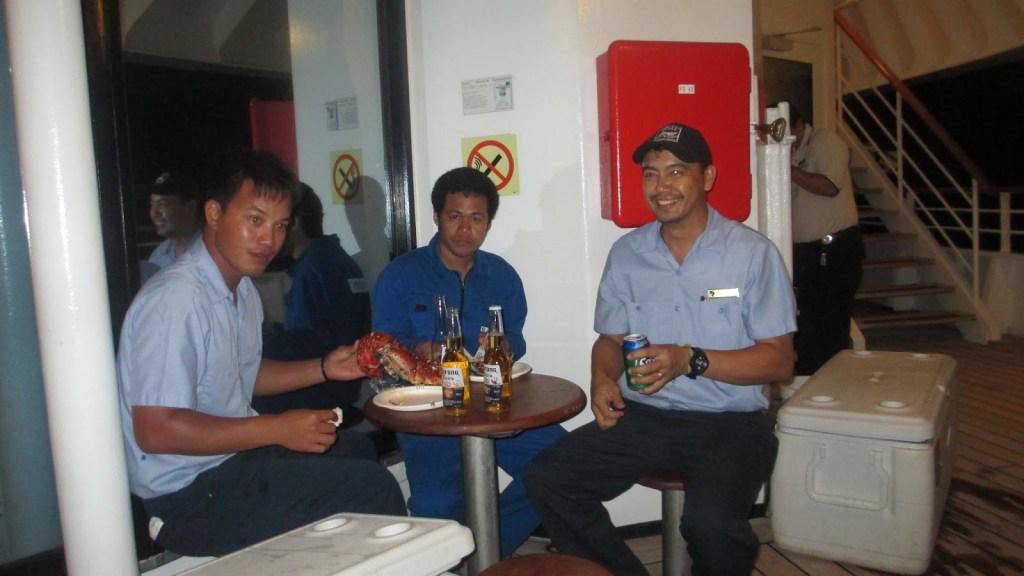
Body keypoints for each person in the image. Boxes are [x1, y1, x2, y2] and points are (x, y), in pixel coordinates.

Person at [524, 123, 797, 576]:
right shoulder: (626, 254)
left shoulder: (752, 254)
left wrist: (689, 360)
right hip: (646, 415)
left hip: (729, 423)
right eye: (651, 174)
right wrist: (602, 379)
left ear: (707, 177)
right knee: (548, 479)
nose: (661, 186)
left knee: (710, 526)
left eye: (676, 171)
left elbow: (780, 360)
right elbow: (610, 340)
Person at [117, 150, 406, 557]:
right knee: (371, 487)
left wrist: (326, 368)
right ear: (214, 213)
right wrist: (277, 428)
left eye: (280, 225)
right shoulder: (177, 299)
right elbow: (156, 430)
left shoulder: (242, 291)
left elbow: (246, 373)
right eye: (255, 220)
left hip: (230, 462)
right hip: (187, 496)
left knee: (355, 449)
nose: (269, 240)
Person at [372, 167, 566, 558]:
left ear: (488, 223)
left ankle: (485, 549)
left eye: (476, 218)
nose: (465, 229)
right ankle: (460, 552)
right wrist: (419, 349)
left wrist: (503, 347)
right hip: (427, 411)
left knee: (563, 465)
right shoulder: (401, 275)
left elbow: (516, 339)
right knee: (438, 505)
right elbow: (384, 347)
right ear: (437, 216)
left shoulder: (502, 275)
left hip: (495, 404)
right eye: (454, 216)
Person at [254, 182, 371, 415]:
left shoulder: (312, 270)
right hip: (344, 388)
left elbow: (303, 345)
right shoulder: (340, 260)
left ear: (295, 223)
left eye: (279, 225)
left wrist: (258, 338)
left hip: (318, 391)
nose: (269, 238)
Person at [785, 103, 865, 375]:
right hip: (805, 253)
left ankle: (832, 378)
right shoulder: (792, 150)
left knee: (831, 319)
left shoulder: (825, 142)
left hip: (835, 250)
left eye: (787, 131)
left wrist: (788, 169)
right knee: (806, 320)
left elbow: (830, 186)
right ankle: (808, 376)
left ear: (799, 125)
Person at [141, 171, 203, 283]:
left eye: (163, 204)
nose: (154, 213)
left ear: (190, 207)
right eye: (152, 204)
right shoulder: (159, 256)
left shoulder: (212, 251)